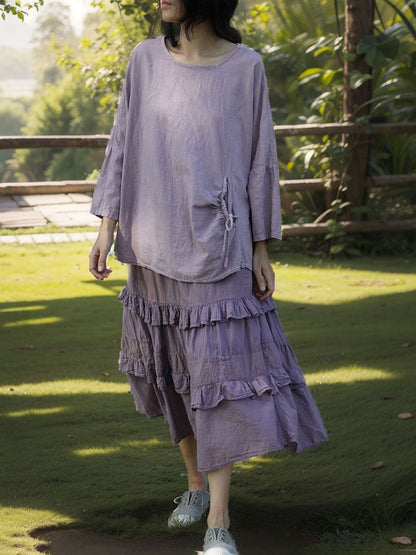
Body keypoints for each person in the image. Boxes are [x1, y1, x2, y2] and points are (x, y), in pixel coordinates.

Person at [89, 1, 328, 553]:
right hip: (152, 242)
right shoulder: (145, 59)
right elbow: (122, 144)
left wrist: (261, 246)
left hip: (220, 247)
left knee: (219, 382)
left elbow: (260, 158)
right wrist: (107, 227)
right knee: (174, 374)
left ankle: (219, 522)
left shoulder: (246, 67)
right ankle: (195, 486)